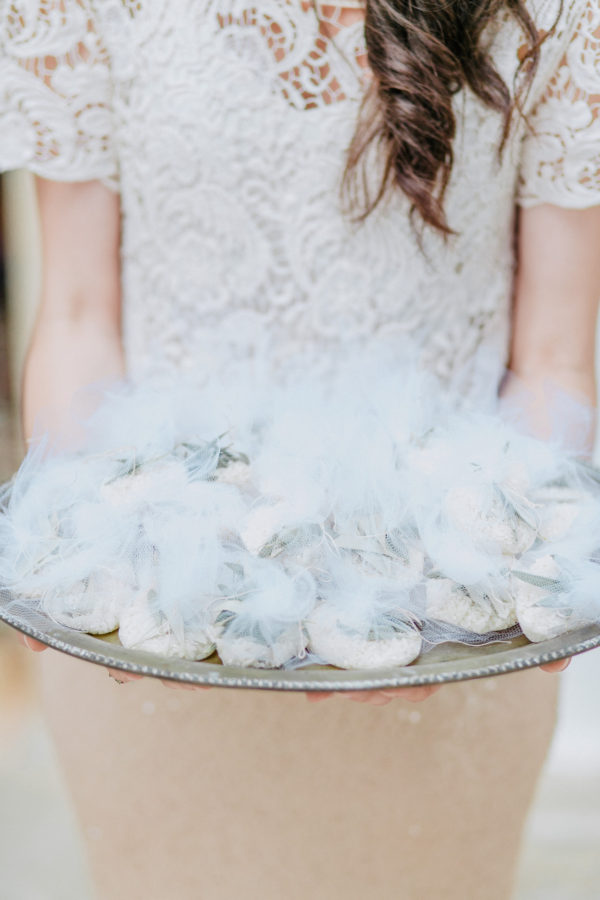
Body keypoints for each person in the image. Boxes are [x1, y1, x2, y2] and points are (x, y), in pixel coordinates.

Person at [2, 0, 599, 897]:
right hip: (162, 626)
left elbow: (552, 356)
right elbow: (80, 316)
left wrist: (510, 589)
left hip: (445, 642)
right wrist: (87, 558)